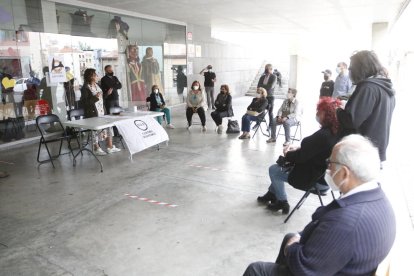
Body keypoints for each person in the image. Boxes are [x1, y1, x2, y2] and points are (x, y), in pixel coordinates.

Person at [245, 134, 396, 276]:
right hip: (343, 265)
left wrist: (292, 248)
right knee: (290, 237)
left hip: (324, 269)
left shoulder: (345, 223)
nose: (328, 169)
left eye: (330, 164)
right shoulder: (376, 196)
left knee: (256, 269)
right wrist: (296, 240)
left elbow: (305, 269)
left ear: (344, 173)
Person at [258, 97, 341, 213]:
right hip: (327, 179)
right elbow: (316, 150)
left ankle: (282, 202)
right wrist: (298, 147)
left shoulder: (322, 136)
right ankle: (271, 194)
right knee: (280, 167)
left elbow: (300, 158)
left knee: (274, 169)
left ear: (327, 115)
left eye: (319, 112)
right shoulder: (335, 132)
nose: (317, 114)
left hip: (315, 180)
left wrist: (287, 152)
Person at [337, 50, 396, 162]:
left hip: (361, 152)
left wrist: (338, 110)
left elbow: (351, 121)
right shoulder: (385, 88)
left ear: (361, 67)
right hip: (375, 150)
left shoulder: (368, 87)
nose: (349, 70)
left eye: (352, 67)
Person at [80, 68, 121, 156]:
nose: (97, 76)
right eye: (95, 75)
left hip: (102, 111)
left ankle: (109, 147)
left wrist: (106, 94)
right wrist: (96, 97)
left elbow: (101, 98)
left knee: (107, 127)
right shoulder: (85, 88)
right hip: (92, 113)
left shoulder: (97, 85)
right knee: (95, 130)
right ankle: (96, 148)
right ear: (90, 76)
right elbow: (85, 103)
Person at [257, 64, 276, 128]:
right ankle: (258, 123)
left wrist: (262, 86)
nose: (266, 70)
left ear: (271, 69)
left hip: (270, 97)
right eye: (265, 68)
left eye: (267, 68)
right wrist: (263, 87)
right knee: (259, 110)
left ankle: (271, 125)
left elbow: (270, 87)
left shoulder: (274, 77)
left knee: (270, 112)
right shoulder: (262, 77)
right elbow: (258, 86)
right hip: (262, 96)